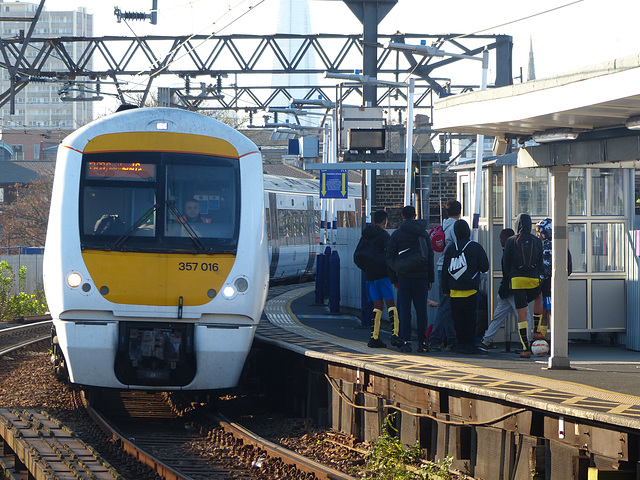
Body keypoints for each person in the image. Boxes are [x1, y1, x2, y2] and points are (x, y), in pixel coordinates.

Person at [386, 205, 435, 353]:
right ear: (415, 215)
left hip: (404, 278)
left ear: (402, 217)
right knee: (421, 311)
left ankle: (406, 341)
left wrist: (393, 279)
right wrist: (430, 279)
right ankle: (423, 342)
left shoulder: (397, 235)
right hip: (421, 278)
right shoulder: (423, 233)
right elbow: (430, 257)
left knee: (405, 311)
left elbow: (389, 258)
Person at [478, 228, 531, 351]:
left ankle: (487, 341)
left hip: (509, 289)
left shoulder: (508, 251)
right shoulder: (518, 251)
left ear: (506, 238)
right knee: (522, 316)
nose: (500, 240)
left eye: (501, 238)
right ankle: (526, 342)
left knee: (503, 317)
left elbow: (507, 272)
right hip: (514, 289)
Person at [441, 219, 489, 354]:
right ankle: (470, 344)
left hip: (454, 291)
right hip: (471, 290)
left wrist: (446, 289)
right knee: (470, 319)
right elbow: (485, 267)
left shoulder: (450, 248)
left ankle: (460, 344)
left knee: (458, 320)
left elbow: (445, 271)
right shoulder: (475, 246)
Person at [353, 209, 399, 348]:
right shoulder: (385, 236)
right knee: (391, 304)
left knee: (377, 306)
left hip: (370, 276)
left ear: (374, 221)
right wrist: (395, 276)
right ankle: (395, 335)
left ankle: (374, 337)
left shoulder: (365, 235)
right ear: (385, 222)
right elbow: (390, 256)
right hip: (383, 275)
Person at [503, 213, 544, 358]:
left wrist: (510, 278)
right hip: (533, 279)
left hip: (517, 280)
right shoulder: (537, 241)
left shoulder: (511, 240)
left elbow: (505, 263)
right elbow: (540, 262)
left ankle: (526, 348)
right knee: (539, 296)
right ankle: (537, 330)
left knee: (522, 313)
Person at [428, 199, 460, 352]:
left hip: (441, 267)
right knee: (446, 305)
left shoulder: (444, 225)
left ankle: (451, 338)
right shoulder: (456, 227)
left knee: (447, 304)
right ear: (460, 211)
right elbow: (459, 247)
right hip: (452, 268)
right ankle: (434, 338)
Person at [533, 218, 572, 340]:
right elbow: (569, 268)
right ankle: (555, 339)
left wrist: (538, 284)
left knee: (549, 312)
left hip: (547, 287)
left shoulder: (546, 247)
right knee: (551, 311)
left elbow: (544, 269)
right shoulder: (561, 246)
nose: (537, 234)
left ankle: (549, 339)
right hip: (558, 285)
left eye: (539, 231)